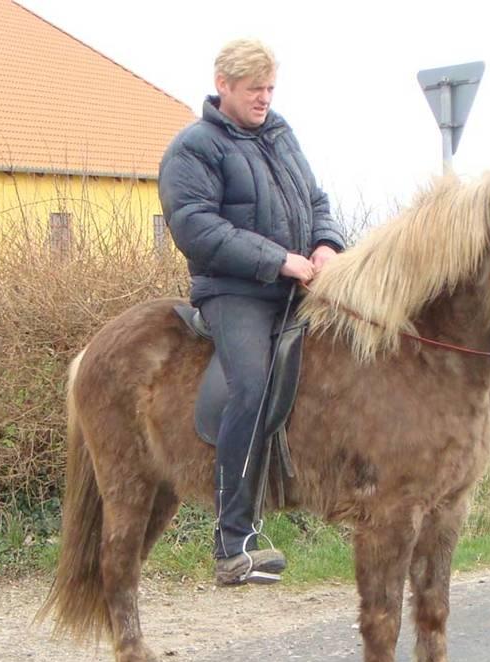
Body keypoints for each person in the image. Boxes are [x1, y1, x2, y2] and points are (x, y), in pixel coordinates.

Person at [158, 39, 345, 585]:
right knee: (252, 385)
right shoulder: (193, 148)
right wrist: (277, 260)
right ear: (224, 85)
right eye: (253, 90)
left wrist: (326, 245)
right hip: (235, 292)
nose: (264, 99)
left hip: (298, 282)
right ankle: (233, 539)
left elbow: (315, 201)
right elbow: (196, 227)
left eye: (270, 88)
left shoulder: (279, 135)